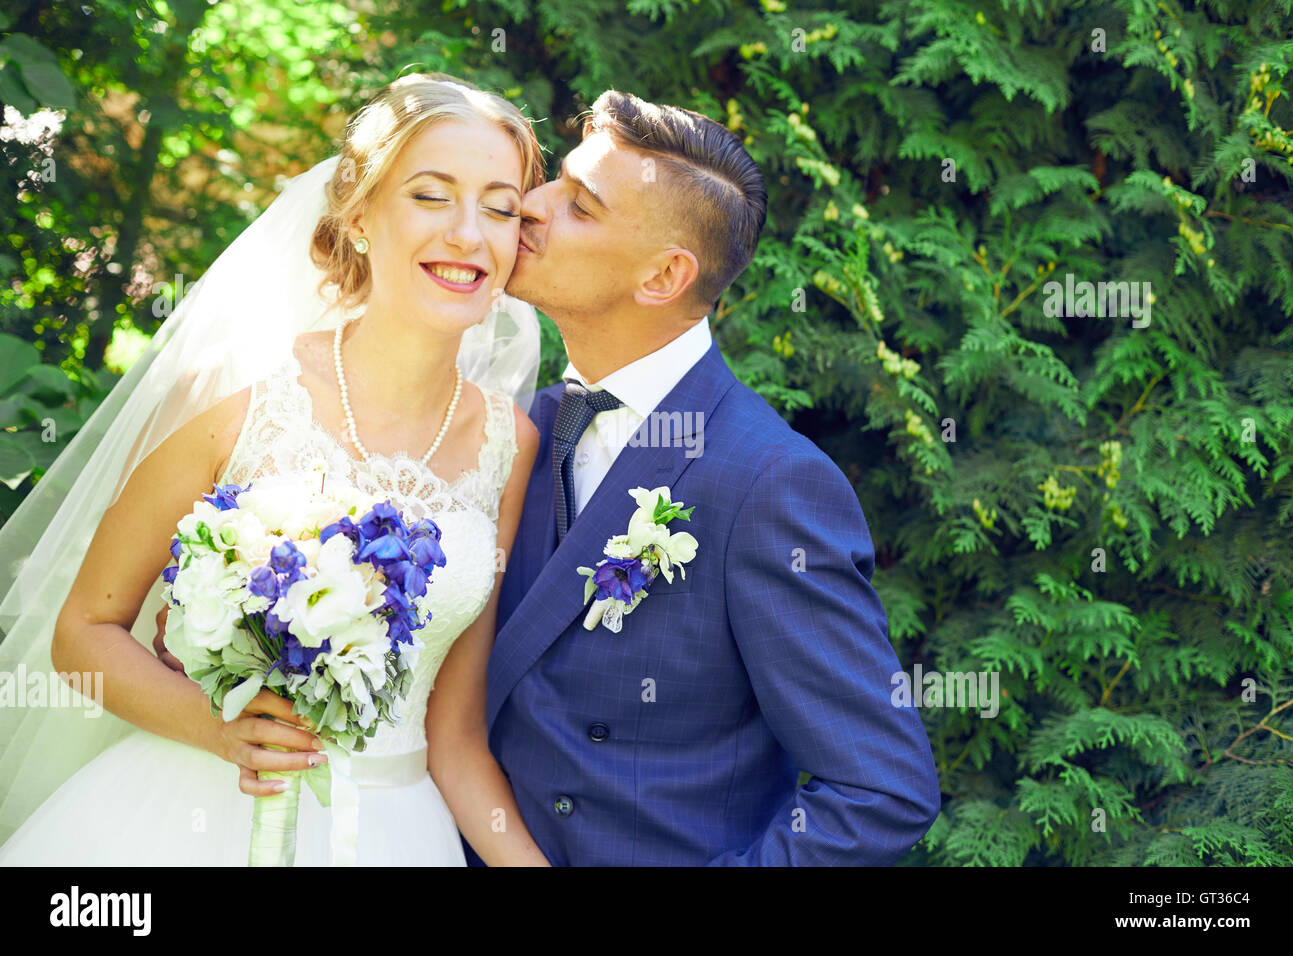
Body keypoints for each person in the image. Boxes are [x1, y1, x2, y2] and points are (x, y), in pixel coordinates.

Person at [0, 73, 551, 866]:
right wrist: (217, 724)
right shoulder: (233, 393)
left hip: (395, 835)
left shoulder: (511, 442)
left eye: (500, 208)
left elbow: (453, 734)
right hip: (186, 815)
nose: (470, 234)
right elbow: (83, 635)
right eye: (432, 196)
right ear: (359, 215)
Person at [480, 90, 942, 865]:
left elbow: (881, 791)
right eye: (554, 180)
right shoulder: (512, 426)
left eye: (580, 207)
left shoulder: (770, 483)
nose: (529, 206)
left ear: (663, 275)